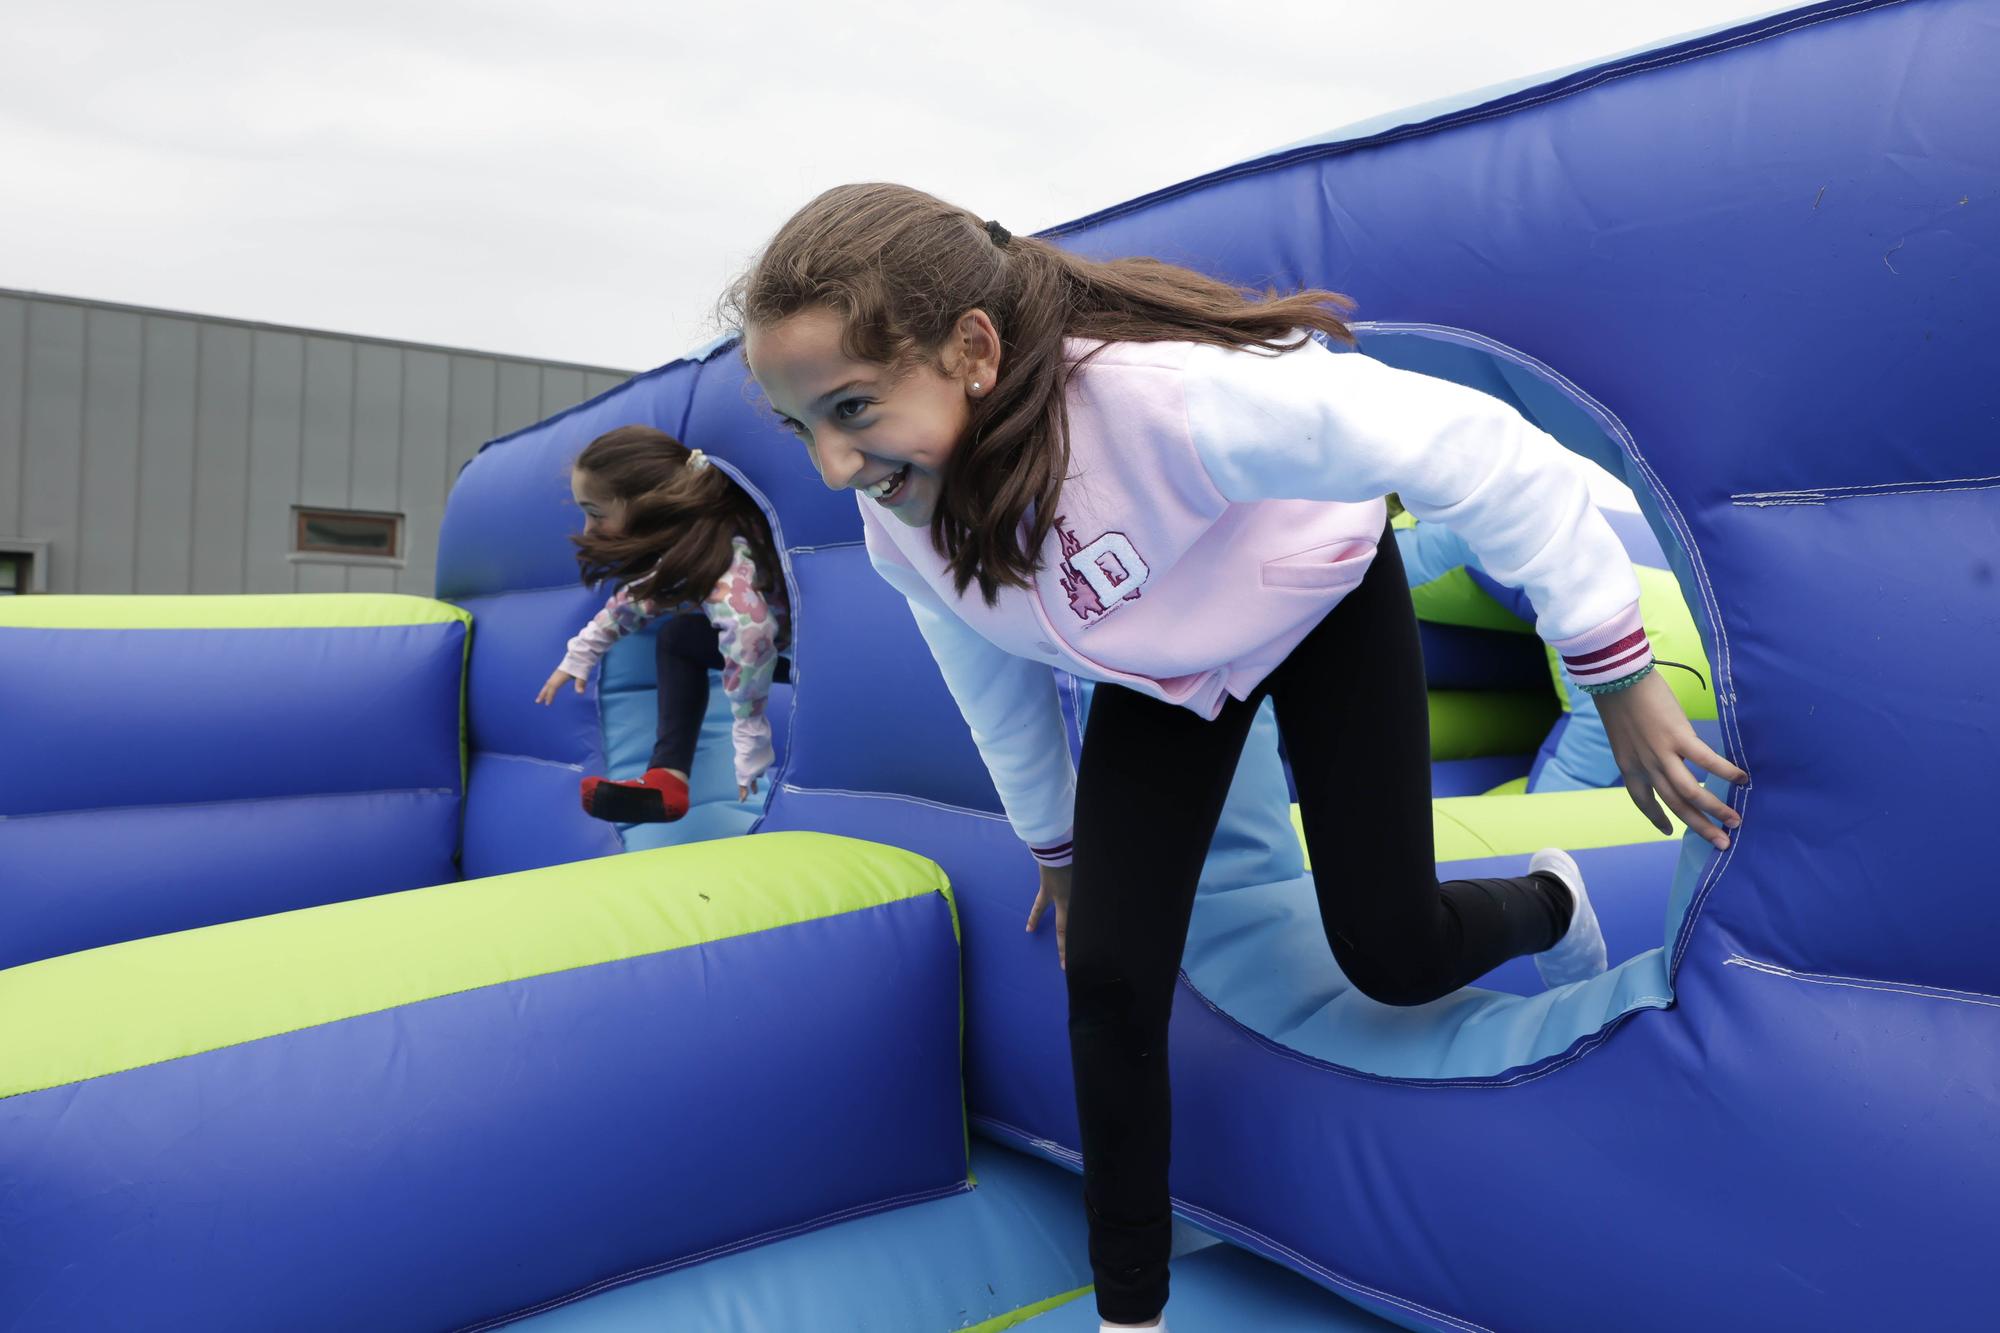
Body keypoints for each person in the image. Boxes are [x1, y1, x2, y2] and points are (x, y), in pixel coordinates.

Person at [726, 184, 1747, 1332]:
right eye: (799, 425)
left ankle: (1546, 901)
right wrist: (1057, 847)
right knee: (1107, 977)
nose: (830, 464)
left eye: (853, 407)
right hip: (1160, 675)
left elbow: (1480, 449)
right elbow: (987, 675)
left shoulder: (1165, 398)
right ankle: (1131, 1311)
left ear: (970, 349)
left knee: (1392, 953)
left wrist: (1613, 670)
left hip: (1317, 604)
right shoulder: (901, 514)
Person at [536, 425, 790, 821]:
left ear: (645, 504)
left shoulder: (726, 556)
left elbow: (751, 634)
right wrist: (583, 651)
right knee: (678, 637)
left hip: (806, 655)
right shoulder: (698, 537)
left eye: (595, 513)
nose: (588, 529)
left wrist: (750, 737)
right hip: (780, 646)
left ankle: (672, 776)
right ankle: (666, 778)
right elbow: (647, 593)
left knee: (684, 637)